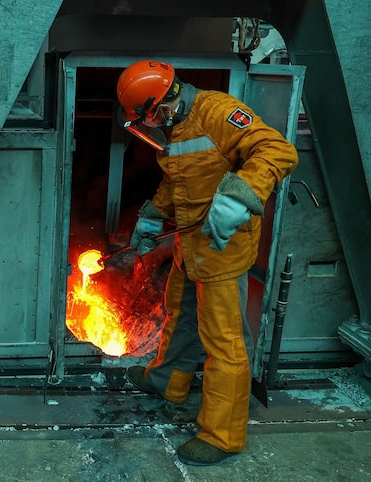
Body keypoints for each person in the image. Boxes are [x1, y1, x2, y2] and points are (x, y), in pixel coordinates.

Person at [115, 60, 298, 465]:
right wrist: (152, 215)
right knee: (180, 315)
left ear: (160, 104)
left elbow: (278, 150)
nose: (151, 126)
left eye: (148, 118)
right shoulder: (177, 127)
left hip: (222, 249)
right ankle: (167, 381)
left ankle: (222, 435)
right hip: (189, 241)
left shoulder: (218, 113)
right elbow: (179, 179)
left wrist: (239, 196)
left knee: (223, 341)